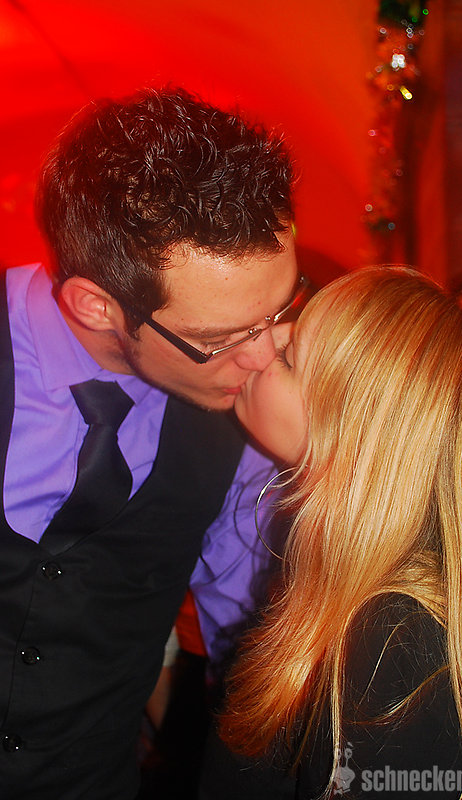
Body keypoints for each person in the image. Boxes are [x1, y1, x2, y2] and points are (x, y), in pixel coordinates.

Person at [0, 85, 303, 799]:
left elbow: (253, 658)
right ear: (96, 306)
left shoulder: (246, 422)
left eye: (279, 311)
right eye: (219, 339)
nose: (264, 359)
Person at [221, 266, 462, 799]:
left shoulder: (399, 643)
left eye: (290, 356)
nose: (264, 342)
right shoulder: (370, 577)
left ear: (356, 430)